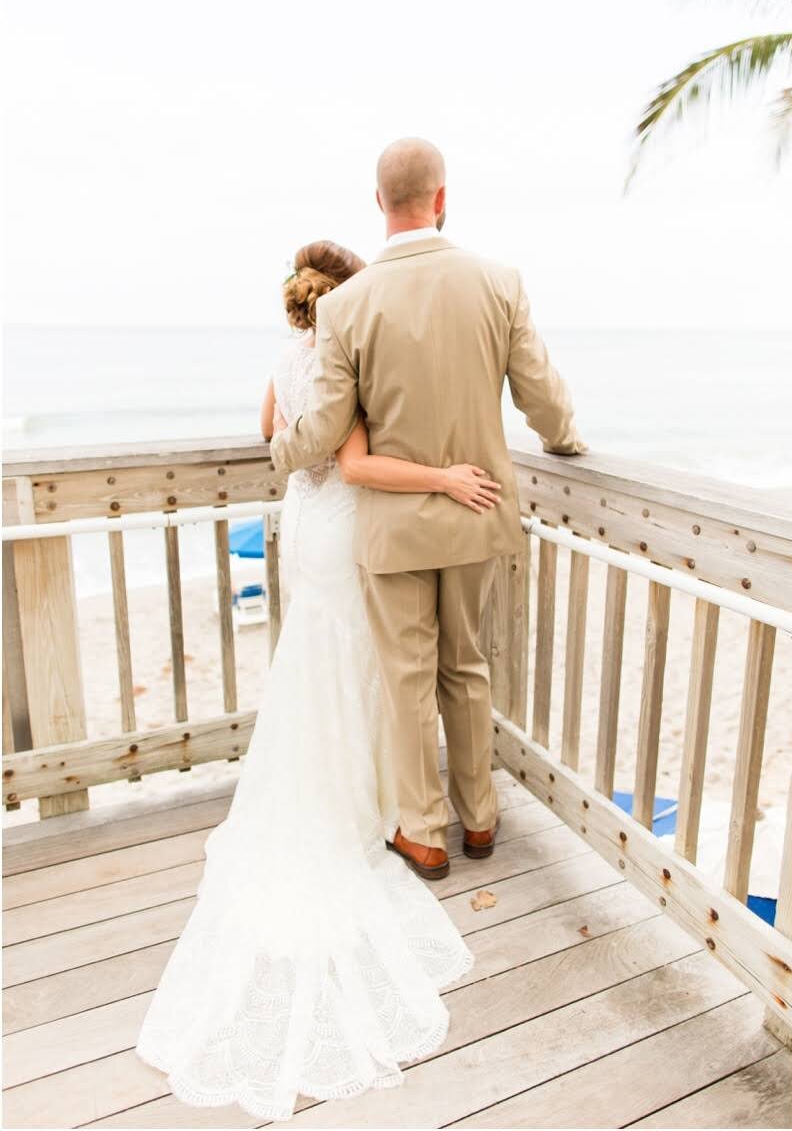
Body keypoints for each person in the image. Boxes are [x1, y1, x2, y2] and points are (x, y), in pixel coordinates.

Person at [135, 237, 503, 1119]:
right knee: (361, 668)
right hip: (341, 529)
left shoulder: (283, 362)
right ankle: (365, 808)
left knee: (318, 662)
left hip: (299, 527)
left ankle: (352, 797)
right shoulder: (342, 362)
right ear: (343, 304)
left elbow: (274, 437)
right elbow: (355, 462)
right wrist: (447, 477)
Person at [270, 137, 586, 880]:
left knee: (408, 675)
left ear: (380, 203)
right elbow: (540, 393)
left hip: (390, 522)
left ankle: (424, 831)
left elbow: (322, 427)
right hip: (476, 511)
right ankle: (480, 818)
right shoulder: (499, 281)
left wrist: (280, 452)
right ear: (443, 197)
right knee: (466, 666)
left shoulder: (347, 305)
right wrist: (567, 440)